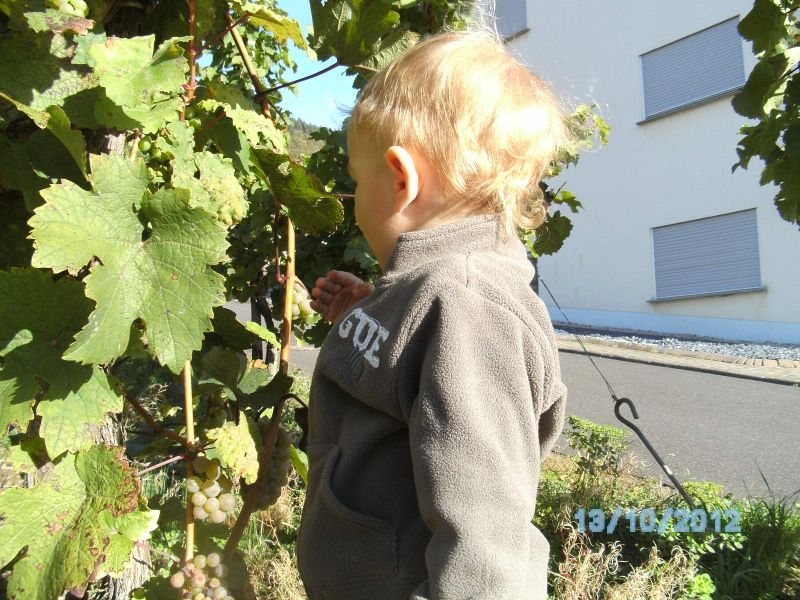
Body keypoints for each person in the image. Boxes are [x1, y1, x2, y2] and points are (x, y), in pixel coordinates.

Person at [295, 28, 572, 600]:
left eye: (355, 182)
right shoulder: (429, 291)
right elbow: (410, 369)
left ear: (400, 179)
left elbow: (486, 535)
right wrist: (363, 309)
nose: (353, 205)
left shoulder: (467, 310)